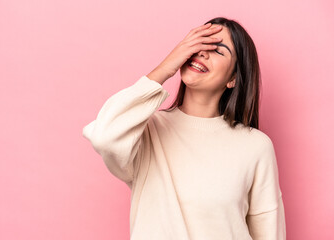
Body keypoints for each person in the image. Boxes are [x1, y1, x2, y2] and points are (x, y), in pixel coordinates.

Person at [82, 17, 286, 240]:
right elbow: (104, 136)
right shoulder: (147, 132)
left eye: (218, 50)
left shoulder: (255, 146)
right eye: (198, 44)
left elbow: (268, 233)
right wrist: (165, 67)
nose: (202, 52)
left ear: (233, 79)